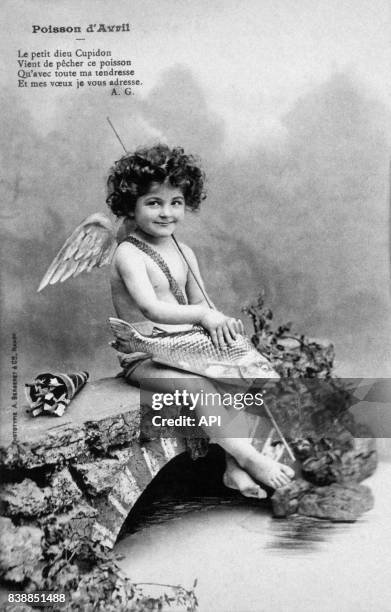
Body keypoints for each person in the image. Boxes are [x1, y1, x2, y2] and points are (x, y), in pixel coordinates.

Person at [107, 144, 294, 497]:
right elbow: (152, 309)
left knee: (237, 378)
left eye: (175, 202)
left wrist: (219, 321)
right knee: (198, 386)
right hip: (145, 356)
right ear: (130, 205)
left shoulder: (184, 251)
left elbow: (203, 302)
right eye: (153, 202)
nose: (166, 213)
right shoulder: (128, 253)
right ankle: (250, 459)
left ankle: (231, 468)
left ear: (187, 202)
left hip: (188, 349)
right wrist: (204, 316)